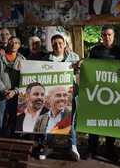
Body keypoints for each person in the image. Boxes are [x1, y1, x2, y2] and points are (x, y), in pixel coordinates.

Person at [38, 33, 81, 161]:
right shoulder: (46, 59)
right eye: (55, 44)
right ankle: (48, 146)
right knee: (50, 120)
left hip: (69, 94)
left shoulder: (73, 57)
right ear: (52, 45)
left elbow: (79, 72)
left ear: (65, 44)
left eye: (60, 43)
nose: (58, 46)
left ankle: (72, 146)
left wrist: (78, 66)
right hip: (53, 95)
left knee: (70, 121)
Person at [87, 26, 120, 160]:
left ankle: (110, 148)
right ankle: (92, 148)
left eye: (109, 35)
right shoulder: (95, 50)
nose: (107, 37)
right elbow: (88, 67)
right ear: (101, 36)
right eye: (104, 35)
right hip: (97, 91)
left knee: (110, 120)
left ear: (114, 36)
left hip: (114, 92)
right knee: (95, 119)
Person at [0, 36, 25, 137]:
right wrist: (4, 90)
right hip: (1, 94)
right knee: (0, 120)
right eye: (11, 42)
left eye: (17, 42)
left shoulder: (22, 60)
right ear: (7, 43)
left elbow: (23, 78)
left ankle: (13, 143)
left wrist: (15, 91)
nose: (14, 44)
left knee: (14, 120)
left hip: (15, 95)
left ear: (19, 45)